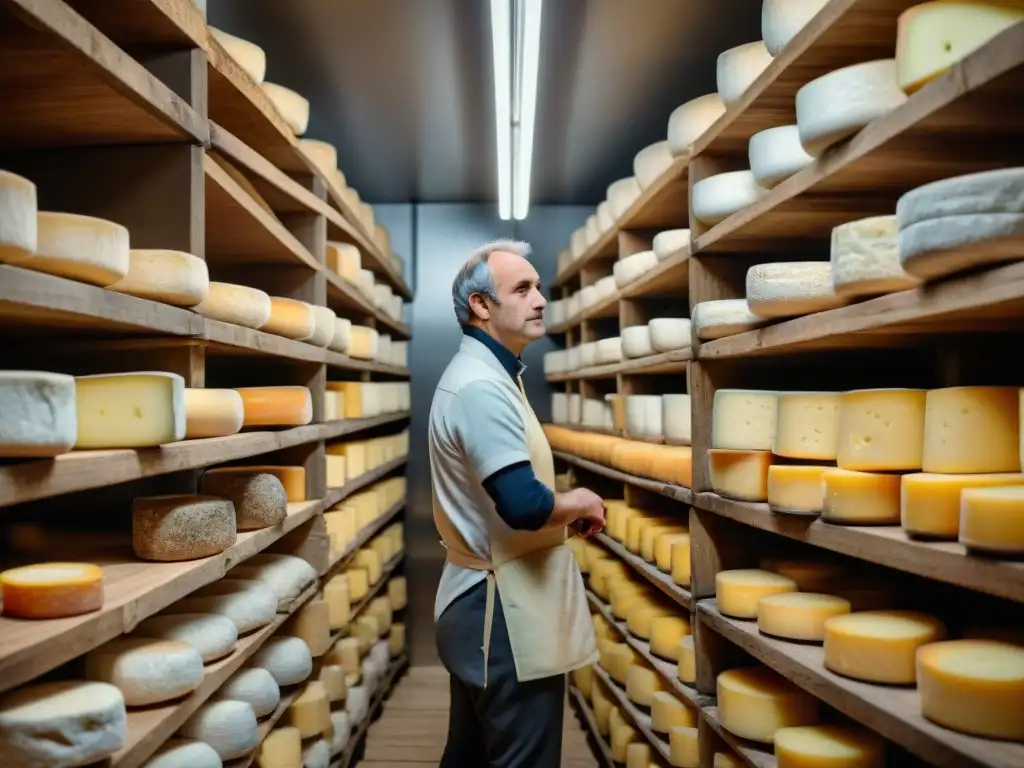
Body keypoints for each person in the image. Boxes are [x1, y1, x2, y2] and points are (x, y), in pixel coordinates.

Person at [428, 239, 608, 767]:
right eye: (522, 288)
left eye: (539, 287)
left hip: (486, 599)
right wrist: (577, 501)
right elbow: (523, 504)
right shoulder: (482, 386)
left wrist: (561, 519)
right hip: (499, 610)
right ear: (481, 306)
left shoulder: (490, 374)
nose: (540, 299)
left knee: (471, 755)